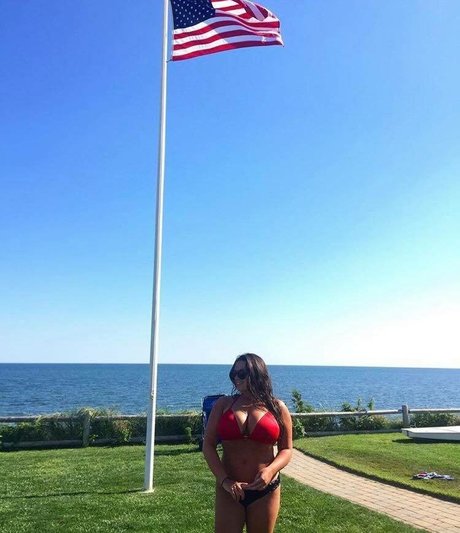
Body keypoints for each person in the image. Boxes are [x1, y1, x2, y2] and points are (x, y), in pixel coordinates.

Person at [203, 353, 293, 533]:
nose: (236, 378)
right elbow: (208, 445)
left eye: (242, 374)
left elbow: (286, 449)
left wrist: (270, 471)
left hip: (265, 489)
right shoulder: (223, 404)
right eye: (233, 374)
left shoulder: (277, 407)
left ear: (257, 373)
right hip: (230, 489)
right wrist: (225, 480)